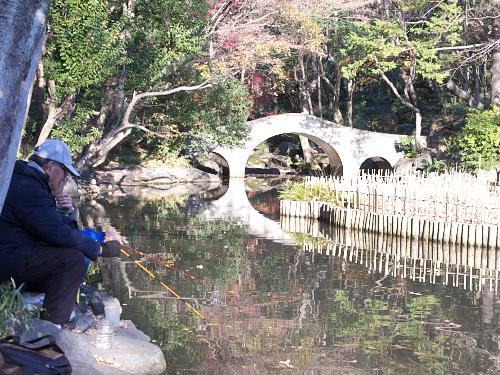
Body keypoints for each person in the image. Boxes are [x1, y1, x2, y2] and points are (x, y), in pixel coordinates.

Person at [0, 139, 121, 324]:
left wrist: (70, 212)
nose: (65, 180)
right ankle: (52, 325)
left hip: (13, 252)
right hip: (8, 257)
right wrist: (101, 250)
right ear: (50, 167)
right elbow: (57, 233)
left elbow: (51, 224)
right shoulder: (27, 186)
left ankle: (44, 308)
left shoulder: (26, 179)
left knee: (67, 253)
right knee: (71, 259)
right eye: (64, 173)